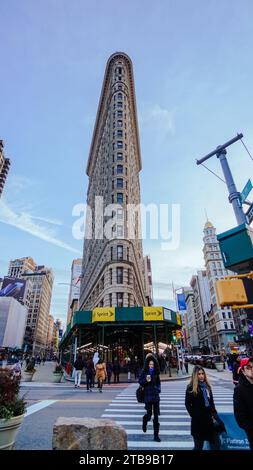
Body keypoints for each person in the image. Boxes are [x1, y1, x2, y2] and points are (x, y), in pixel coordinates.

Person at [185, 365, 223, 450]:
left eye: (202, 373)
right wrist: (194, 415)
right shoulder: (191, 388)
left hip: (210, 421)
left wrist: (215, 415)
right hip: (198, 423)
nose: (201, 376)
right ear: (195, 376)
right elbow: (187, 404)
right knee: (198, 447)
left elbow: (212, 404)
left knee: (216, 446)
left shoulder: (208, 387)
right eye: (199, 374)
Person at [139, 353, 161, 442]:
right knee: (149, 415)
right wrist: (146, 380)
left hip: (155, 396)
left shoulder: (156, 373)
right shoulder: (144, 372)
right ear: (147, 365)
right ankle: (145, 421)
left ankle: (156, 435)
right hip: (148, 396)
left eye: (152, 364)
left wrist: (158, 389)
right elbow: (140, 382)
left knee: (156, 417)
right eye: (150, 364)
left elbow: (159, 383)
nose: (151, 366)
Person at [233, 357, 253, 450]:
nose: (252, 369)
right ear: (243, 371)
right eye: (248, 367)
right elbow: (239, 416)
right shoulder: (239, 389)